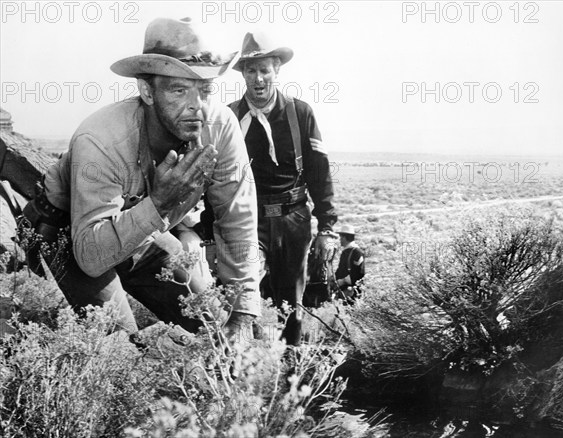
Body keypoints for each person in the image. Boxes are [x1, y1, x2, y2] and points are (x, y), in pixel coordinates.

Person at [20, 17, 260, 339]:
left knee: (213, 322)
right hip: (74, 234)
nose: (196, 106)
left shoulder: (220, 126)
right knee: (121, 343)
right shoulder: (101, 139)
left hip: (143, 231)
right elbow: (91, 257)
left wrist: (242, 312)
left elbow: (238, 219)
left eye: (205, 89)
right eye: (178, 89)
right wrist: (159, 204)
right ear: (147, 91)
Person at [228, 32, 338, 345]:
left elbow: (320, 173)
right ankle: (238, 372)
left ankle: (293, 373)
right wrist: (210, 227)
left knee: (293, 304)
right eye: (251, 70)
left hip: (294, 219)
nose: (258, 78)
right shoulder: (229, 118)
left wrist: (328, 228)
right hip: (247, 220)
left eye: (265, 70)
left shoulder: (299, 113)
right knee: (241, 294)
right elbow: (216, 177)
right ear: (243, 74)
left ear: (277, 70)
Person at [335, 225, 365, 304]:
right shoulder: (345, 252)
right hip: (344, 292)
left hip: (353, 293)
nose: (340, 240)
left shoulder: (357, 252)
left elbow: (360, 273)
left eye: (340, 237)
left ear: (344, 237)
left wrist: (343, 281)